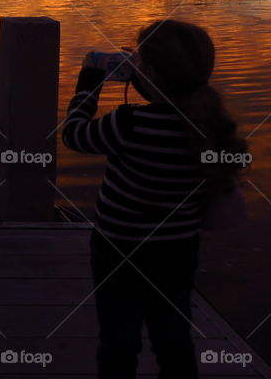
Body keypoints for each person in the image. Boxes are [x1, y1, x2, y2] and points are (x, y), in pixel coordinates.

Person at [62, 19, 248, 379]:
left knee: (118, 338)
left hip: (118, 248)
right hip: (177, 250)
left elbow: (74, 135)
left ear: (147, 74)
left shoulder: (129, 123)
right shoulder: (209, 128)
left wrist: (89, 83)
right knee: (173, 334)